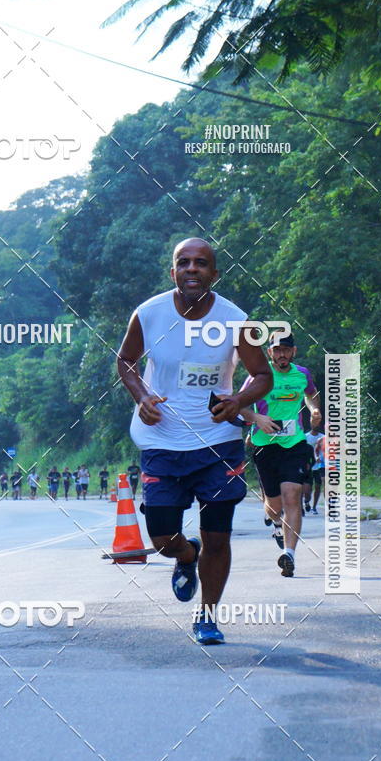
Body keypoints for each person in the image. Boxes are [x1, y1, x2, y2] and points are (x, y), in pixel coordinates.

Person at [117, 236, 272, 644]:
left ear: (214, 273)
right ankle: (186, 557)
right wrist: (142, 396)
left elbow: (263, 376)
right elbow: (125, 361)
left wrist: (238, 399)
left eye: (200, 263)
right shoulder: (148, 314)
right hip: (162, 441)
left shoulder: (239, 321)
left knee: (218, 535)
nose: (191, 269)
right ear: (173, 272)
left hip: (218, 442)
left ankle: (208, 615)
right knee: (163, 538)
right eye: (183, 263)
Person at [241, 331, 320, 578]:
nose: (282, 354)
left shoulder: (302, 374)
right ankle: (276, 523)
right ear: (270, 352)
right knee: (274, 507)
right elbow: (239, 404)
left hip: (294, 444)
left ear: (293, 352)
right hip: (265, 446)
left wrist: (315, 409)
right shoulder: (259, 376)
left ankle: (289, 554)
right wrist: (256, 418)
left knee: (292, 496)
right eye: (277, 350)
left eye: (286, 350)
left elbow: (312, 395)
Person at [305, 421, 325, 514]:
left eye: (318, 424)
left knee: (318, 486)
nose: (316, 425)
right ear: (311, 424)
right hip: (308, 466)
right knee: (307, 488)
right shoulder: (305, 437)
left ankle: (314, 507)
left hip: (319, 466)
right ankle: (307, 502)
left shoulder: (323, 437)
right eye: (314, 424)